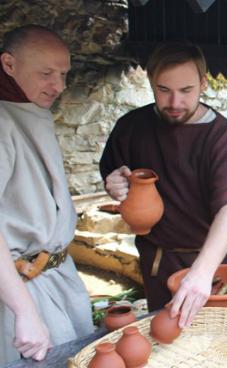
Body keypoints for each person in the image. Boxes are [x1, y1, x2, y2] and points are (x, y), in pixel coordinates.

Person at [99, 42, 227, 328]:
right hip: (162, 260)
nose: (174, 103)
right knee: (168, 342)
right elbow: (115, 174)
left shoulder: (221, 137)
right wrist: (115, 184)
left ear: (203, 83)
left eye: (186, 91)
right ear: (150, 82)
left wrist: (201, 273)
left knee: (223, 338)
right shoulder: (131, 127)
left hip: (218, 260)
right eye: (163, 90)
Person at [0, 25, 94, 364]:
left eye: (64, 74)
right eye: (46, 73)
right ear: (8, 64)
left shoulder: (27, 111)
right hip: (19, 290)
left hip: (55, 276)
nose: (59, 86)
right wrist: (24, 312)